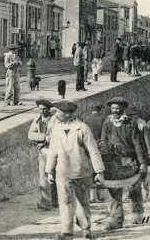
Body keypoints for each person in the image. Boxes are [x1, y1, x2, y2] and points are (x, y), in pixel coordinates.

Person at [46, 101, 105, 240]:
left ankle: (86, 229)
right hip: (62, 172)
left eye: (58, 112)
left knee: (83, 201)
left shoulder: (82, 128)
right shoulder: (56, 128)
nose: (56, 114)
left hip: (82, 172)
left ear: (67, 113)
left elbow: (93, 150)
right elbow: (52, 151)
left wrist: (99, 171)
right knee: (65, 201)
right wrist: (49, 170)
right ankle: (67, 231)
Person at [100, 97, 147, 230]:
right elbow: (103, 141)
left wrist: (142, 162)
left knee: (134, 188)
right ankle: (117, 219)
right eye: (113, 108)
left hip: (130, 160)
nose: (115, 111)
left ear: (123, 109)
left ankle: (137, 213)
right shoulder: (107, 123)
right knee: (114, 189)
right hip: (113, 161)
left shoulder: (130, 124)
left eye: (118, 108)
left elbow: (138, 144)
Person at [28, 99, 58, 210]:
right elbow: (30, 134)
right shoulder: (37, 119)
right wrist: (44, 137)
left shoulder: (54, 120)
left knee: (54, 175)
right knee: (43, 178)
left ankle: (55, 200)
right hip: (42, 150)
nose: (42, 111)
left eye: (45, 109)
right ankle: (46, 201)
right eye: (40, 109)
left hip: (53, 151)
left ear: (49, 109)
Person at [82, 103, 106, 203]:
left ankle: (92, 196)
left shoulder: (86, 119)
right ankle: (100, 195)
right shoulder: (103, 119)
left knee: (90, 171)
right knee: (99, 171)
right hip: (100, 147)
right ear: (100, 110)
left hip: (88, 148)